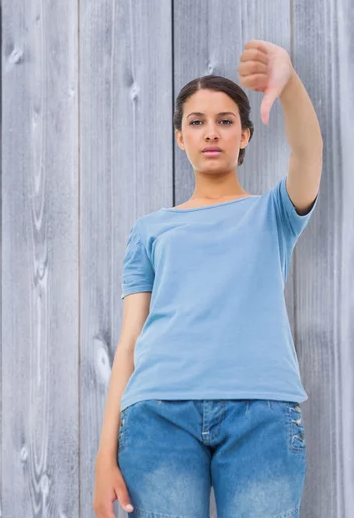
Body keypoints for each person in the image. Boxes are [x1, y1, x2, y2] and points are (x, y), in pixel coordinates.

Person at [94, 65, 321, 517]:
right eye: (196, 122)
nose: (210, 133)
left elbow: (308, 154)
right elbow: (129, 343)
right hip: (158, 416)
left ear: (246, 136)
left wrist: (289, 83)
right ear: (181, 138)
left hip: (263, 416)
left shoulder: (273, 213)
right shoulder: (150, 231)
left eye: (225, 121)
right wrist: (104, 456)